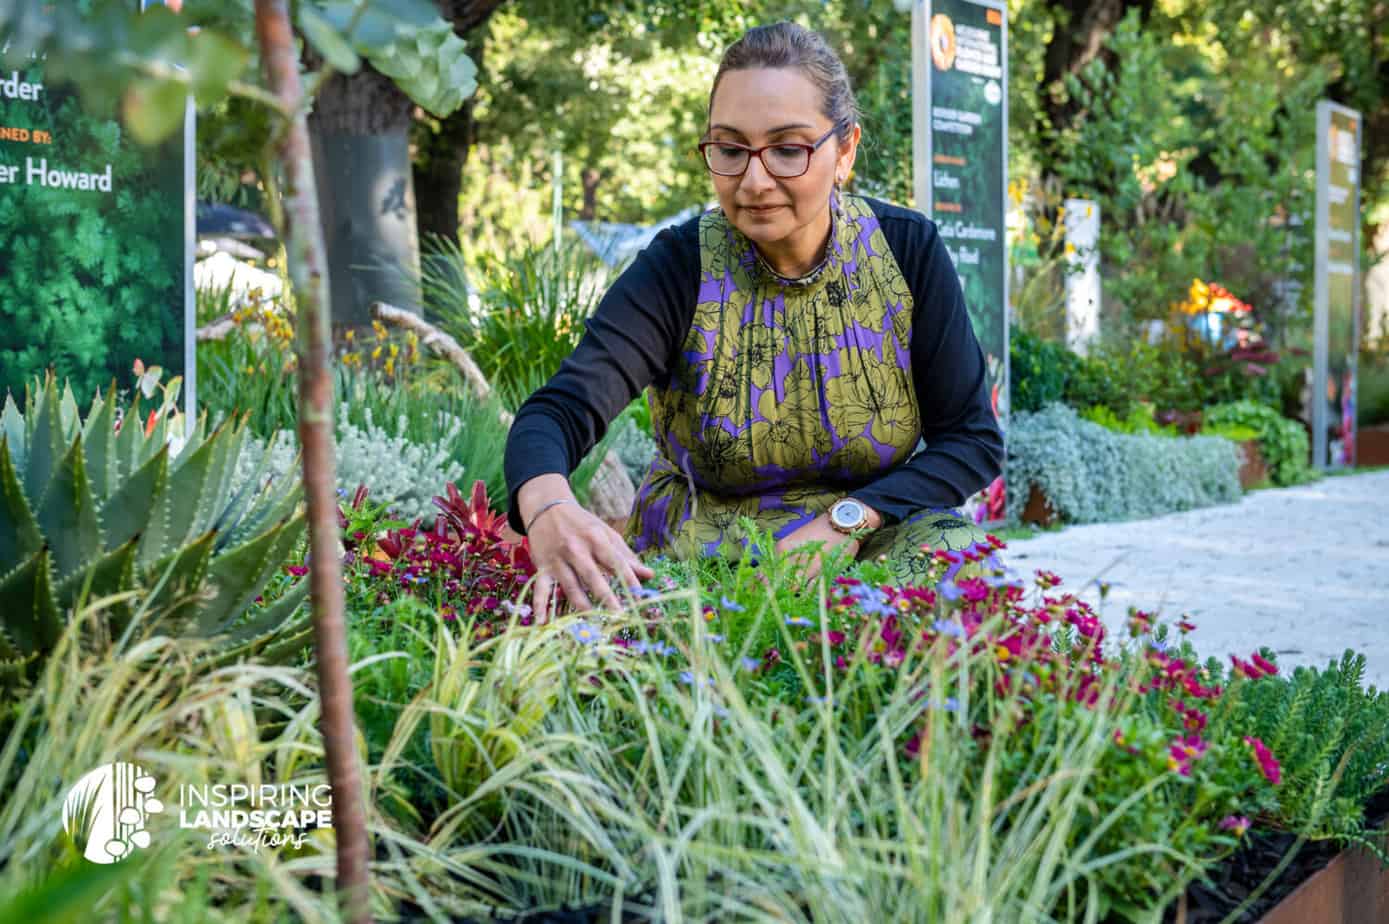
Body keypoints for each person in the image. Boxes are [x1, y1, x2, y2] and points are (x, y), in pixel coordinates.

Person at [504, 21, 1004, 617]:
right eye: (731, 149)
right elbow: (557, 412)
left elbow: (971, 440)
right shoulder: (679, 267)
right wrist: (549, 507)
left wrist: (846, 521)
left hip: (873, 533)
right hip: (709, 550)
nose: (755, 180)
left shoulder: (906, 250)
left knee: (962, 564)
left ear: (844, 151)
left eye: (789, 149)